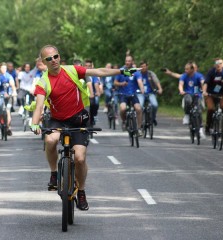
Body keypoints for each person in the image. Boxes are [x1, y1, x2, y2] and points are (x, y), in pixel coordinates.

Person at [30, 45, 137, 211]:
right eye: (49, 59)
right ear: (44, 62)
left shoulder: (72, 70)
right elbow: (38, 107)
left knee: (79, 158)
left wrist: (121, 71)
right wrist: (35, 124)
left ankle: (81, 191)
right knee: (50, 140)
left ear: (59, 56)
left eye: (56, 56)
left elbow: (99, 72)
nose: (54, 61)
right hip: (57, 120)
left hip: (78, 118)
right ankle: (54, 173)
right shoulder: (43, 81)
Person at [115, 55, 144, 135]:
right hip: (122, 94)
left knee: (138, 109)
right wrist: (121, 84)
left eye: (129, 61)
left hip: (133, 94)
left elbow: (140, 82)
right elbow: (115, 82)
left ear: (132, 62)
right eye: (126, 61)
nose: (127, 62)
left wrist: (142, 90)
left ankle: (139, 128)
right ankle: (124, 121)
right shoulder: (121, 70)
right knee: (123, 108)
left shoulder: (135, 71)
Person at [178, 62, 206, 138]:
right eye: (185, 69)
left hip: (197, 94)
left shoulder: (199, 75)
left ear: (192, 69)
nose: (185, 70)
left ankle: (200, 129)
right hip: (187, 93)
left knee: (199, 111)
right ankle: (187, 114)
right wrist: (181, 90)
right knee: (187, 100)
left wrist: (203, 91)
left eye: (187, 69)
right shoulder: (184, 76)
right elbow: (181, 84)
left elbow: (203, 83)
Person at [134, 60, 163, 126]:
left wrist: (160, 88)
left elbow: (156, 81)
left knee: (155, 105)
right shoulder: (137, 74)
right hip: (140, 93)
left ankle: (153, 118)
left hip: (150, 93)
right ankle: (139, 121)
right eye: (141, 66)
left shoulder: (150, 74)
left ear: (147, 66)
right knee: (140, 105)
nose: (143, 68)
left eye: (144, 66)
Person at [202, 58, 223, 135]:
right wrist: (204, 91)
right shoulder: (211, 72)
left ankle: (222, 127)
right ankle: (208, 127)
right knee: (211, 108)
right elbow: (206, 83)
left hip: (221, 93)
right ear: (214, 65)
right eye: (217, 63)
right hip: (210, 93)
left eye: (220, 63)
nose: (219, 65)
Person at [0, 62, 17, 135]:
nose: (3, 70)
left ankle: (8, 127)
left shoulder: (9, 76)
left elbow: (12, 85)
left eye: (4, 68)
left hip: (8, 97)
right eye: (2, 68)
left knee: (7, 111)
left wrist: (14, 91)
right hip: (0, 97)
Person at [84, 59, 101, 125]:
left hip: (92, 95)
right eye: (86, 66)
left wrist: (97, 92)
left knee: (96, 103)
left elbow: (96, 83)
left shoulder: (94, 75)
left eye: (89, 66)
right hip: (83, 95)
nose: (88, 67)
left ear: (92, 67)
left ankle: (93, 116)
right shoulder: (81, 74)